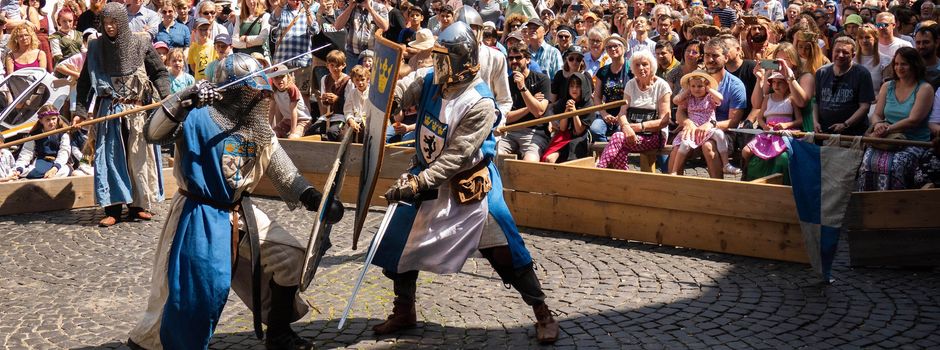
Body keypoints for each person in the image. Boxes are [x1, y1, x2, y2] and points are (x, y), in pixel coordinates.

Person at [130, 53, 344, 350]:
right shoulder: (196, 116)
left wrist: (314, 198)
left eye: (258, 91)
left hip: (237, 210)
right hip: (198, 211)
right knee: (196, 291)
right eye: (250, 90)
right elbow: (154, 133)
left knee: (292, 258)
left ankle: (279, 334)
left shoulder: (258, 129)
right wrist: (183, 99)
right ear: (232, 91)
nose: (258, 96)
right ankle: (160, 343)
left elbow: (283, 172)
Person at [374, 22, 559, 344]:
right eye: (438, 58)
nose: (439, 65)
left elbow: (457, 157)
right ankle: (404, 310)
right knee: (399, 241)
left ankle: (542, 311)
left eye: (445, 59)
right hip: (426, 176)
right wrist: (381, 107)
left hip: (469, 184)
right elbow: (402, 87)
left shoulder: (480, 102)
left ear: (463, 59)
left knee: (504, 248)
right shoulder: (432, 79)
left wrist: (419, 183)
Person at [74, 3, 170, 227]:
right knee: (111, 159)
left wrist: (165, 94)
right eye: (105, 23)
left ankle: (138, 205)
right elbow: (84, 83)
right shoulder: (97, 48)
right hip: (109, 111)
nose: (109, 27)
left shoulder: (141, 42)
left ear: (122, 23)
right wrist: (79, 111)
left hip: (137, 110)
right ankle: (113, 208)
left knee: (138, 158)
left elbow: (159, 72)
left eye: (113, 23)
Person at [858, 47, 934, 191]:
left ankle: (897, 205)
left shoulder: (924, 89)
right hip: (887, 138)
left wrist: (887, 129)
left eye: (904, 64)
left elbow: (914, 120)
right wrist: (878, 125)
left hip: (913, 141)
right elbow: (877, 114)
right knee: (867, 161)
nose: (899, 67)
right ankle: (869, 203)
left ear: (914, 65)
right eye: (897, 64)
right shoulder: (888, 86)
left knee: (895, 164)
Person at [596, 51, 672, 170]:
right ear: (632, 68)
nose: (641, 68)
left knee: (617, 138)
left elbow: (664, 120)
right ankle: (624, 179)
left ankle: (600, 168)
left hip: (655, 136)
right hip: (630, 134)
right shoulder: (630, 84)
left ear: (651, 66)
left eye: (645, 64)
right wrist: (626, 127)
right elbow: (622, 113)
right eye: (637, 65)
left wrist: (638, 127)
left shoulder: (662, 86)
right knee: (620, 148)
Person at [498, 41, 551, 162]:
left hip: (534, 132)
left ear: (527, 60)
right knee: (496, 155)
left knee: (530, 161)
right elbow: (505, 117)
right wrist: (529, 107)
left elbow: (539, 112)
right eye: (511, 58)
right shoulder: (506, 82)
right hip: (509, 131)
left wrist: (523, 87)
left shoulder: (542, 80)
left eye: (518, 57)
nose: (514, 61)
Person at [814, 36, 874, 136]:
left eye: (845, 52)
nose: (840, 55)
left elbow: (864, 107)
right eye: (837, 51)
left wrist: (846, 124)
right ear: (832, 52)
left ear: (853, 54)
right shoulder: (821, 72)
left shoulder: (862, 74)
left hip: (852, 133)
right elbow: (816, 101)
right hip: (824, 131)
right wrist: (815, 122)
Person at [669, 70, 725, 175]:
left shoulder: (710, 97)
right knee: (677, 149)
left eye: (700, 86)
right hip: (692, 130)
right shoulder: (689, 97)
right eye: (693, 86)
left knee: (709, 147)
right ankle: (674, 180)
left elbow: (720, 99)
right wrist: (687, 91)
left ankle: (717, 185)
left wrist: (709, 89)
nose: (696, 89)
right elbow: (677, 103)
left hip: (709, 130)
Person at [742, 71, 800, 165]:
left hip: (784, 134)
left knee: (781, 156)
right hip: (768, 133)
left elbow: (800, 120)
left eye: (780, 82)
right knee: (746, 151)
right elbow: (760, 118)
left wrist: (786, 125)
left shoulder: (791, 98)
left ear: (787, 83)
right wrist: (764, 126)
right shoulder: (767, 98)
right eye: (774, 82)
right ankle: (747, 171)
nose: (776, 85)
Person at [542, 72, 594, 163]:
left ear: (583, 88)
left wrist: (574, 112)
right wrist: (566, 111)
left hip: (579, 139)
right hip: (563, 136)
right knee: (548, 159)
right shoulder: (564, 101)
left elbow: (579, 131)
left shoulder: (588, 103)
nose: (574, 89)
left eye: (578, 86)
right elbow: (562, 128)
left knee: (570, 160)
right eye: (571, 86)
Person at [11, 106, 71, 179]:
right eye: (48, 120)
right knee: (25, 172)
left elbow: (64, 152)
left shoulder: (63, 134)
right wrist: (19, 169)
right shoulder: (34, 135)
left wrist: (55, 168)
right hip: (41, 162)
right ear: (41, 120)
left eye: (53, 119)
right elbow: (26, 153)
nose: (51, 122)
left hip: (59, 164)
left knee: (64, 172)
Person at [590, 35, 630, 143]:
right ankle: (607, 156)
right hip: (607, 113)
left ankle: (616, 157)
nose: (612, 49)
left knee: (619, 132)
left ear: (623, 48)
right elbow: (597, 97)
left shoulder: (631, 69)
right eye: (609, 47)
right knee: (595, 129)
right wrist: (604, 114)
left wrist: (621, 115)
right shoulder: (602, 71)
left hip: (627, 112)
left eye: (616, 46)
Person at [268, 64, 313, 139]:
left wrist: (293, 131)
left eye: (282, 76)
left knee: (292, 137)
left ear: (288, 76)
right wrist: (268, 129)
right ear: (272, 79)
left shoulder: (292, 89)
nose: (280, 80)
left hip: (302, 120)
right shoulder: (273, 91)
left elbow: (293, 111)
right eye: (276, 77)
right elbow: (271, 111)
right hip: (287, 120)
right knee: (271, 136)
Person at [314, 50, 347, 141]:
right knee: (313, 131)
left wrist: (337, 99)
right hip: (328, 115)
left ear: (343, 65)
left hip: (342, 117)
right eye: (332, 65)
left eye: (338, 66)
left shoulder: (348, 81)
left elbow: (350, 103)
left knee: (332, 133)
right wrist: (324, 99)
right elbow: (324, 104)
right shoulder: (324, 79)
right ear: (327, 65)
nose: (334, 68)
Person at [343, 64, 369, 138]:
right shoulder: (352, 93)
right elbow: (348, 110)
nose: (360, 83)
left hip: (368, 123)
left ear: (367, 79)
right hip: (355, 121)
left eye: (362, 80)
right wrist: (351, 121)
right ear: (353, 81)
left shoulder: (372, 93)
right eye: (357, 80)